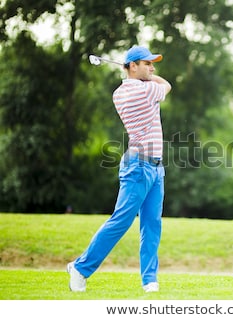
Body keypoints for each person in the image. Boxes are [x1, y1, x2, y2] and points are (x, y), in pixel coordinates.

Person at [67, 45, 172, 293]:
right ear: (132, 66)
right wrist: (144, 75)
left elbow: (156, 80)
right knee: (121, 221)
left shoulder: (126, 89)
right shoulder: (141, 91)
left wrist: (138, 71)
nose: (153, 67)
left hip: (156, 167)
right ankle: (80, 268)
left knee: (152, 223)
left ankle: (149, 280)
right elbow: (167, 84)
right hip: (138, 167)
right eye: (147, 63)